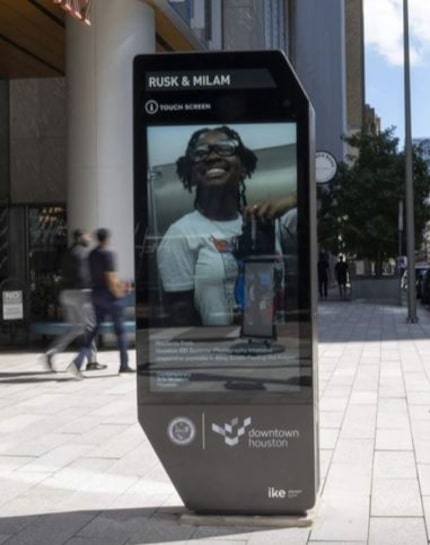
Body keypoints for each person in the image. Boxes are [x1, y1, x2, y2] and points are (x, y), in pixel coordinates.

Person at [156, 125, 296, 327]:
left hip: (273, 349)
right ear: (193, 174)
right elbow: (181, 318)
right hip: (219, 352)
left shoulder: (262, 222)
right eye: (201, 153)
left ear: (244, 167)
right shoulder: (180, 234)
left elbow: (323, 194)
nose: (212, 157)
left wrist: (288, 201)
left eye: (225, 148)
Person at [69, 228, 133, 378]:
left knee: (94, 330)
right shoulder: (108, 253)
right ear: (107, 239)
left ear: (98, 238)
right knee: (121, 331)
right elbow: (111, 277)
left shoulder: (91, 254)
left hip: (96, 294)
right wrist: (120, 293)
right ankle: (124, 365)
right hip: (109, 295)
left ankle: (77, 362)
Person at [44, 229, 106, 372]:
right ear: (80, 237)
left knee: (75, 328)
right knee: (90, 326)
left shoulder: (67, 252)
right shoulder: (83, 253)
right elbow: (86, 275)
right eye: (87, 235)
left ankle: (52, 352)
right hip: (80, 294)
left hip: (66, 294)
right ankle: (92, 361)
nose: (89, 238)